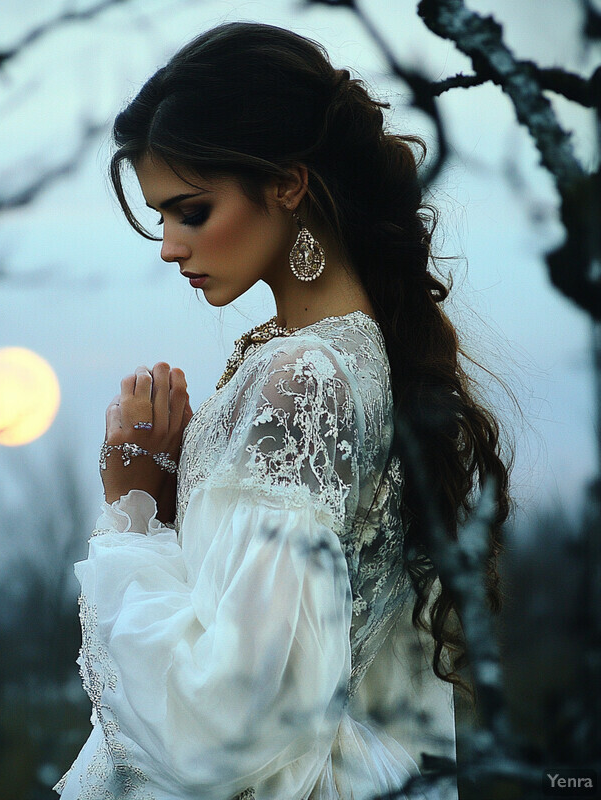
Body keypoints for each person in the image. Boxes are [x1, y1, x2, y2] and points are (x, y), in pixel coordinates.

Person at [53, 21, 511, 800]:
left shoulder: (303, 378)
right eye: (160, 216)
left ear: (288, 185)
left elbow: (235, 718)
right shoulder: (358, 356)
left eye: (190, 210)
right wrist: (176, 516)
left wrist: (128, 505)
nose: (169, 245)